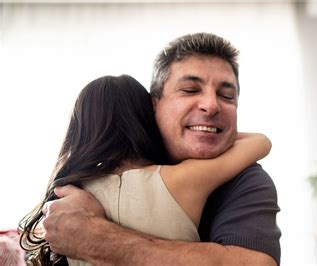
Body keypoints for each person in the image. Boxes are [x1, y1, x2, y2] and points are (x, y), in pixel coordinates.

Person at [40, 33, 281, 265]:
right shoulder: (88, 191)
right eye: (189, 90)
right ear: (153, 105)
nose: (211, 105)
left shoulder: (248, 181)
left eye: (227, 96)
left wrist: (96, 237)